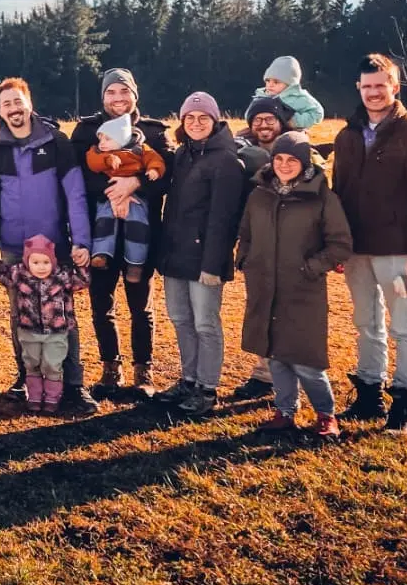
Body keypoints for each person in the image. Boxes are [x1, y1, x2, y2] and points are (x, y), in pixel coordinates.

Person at [331, 53, 407, 437]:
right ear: (358, 88)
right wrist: (336, 244)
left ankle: (405, 407)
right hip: (356, 250)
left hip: (399, 250)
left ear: (394, 87)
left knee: (405, 326)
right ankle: (369, 395)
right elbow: (341, 194)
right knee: (366, 322)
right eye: (366, 86)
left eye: (380, 85)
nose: (373, 93)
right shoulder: (347, 136)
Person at [0, 77, 97, 415]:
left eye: (18, 102)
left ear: (29, 102)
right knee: (22, 315)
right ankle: (26, 377)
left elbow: (75, 194)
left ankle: (73, 385)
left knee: (63, 318)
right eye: (6, 105)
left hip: (55, 249)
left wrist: (82, 241)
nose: (13, 109)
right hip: (14, 249)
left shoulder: (57, 142)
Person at [238, 133, 354, 439]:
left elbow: (340, 244)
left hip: (302, 289)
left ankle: (326, 415)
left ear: (304, 163)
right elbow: (246, 232)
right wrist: (245, 259)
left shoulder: (322, 197)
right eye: (278, 159)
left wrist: (311, 268)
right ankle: (285, 412)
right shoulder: (259, 194)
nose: (284, 165)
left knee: (306, 359)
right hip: (264, 284)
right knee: (275, 354)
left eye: (292, 160)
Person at [68, 68, 172, 400]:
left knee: (140, 305)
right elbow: (76, 176)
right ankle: (110, 368)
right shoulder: (86, 132)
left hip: (142, 233)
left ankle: (144, 370)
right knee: (102, 303)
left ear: (135, 95)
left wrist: (136, 184)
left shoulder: (154, 134)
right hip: (100, 232)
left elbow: (170, 176)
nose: (118, 99)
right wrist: (115, 191)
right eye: (111, 92)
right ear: (102, 97)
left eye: (124, 92)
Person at [152, 92, 247, 419]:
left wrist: (212, 265)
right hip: (176, 255)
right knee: (181, 320)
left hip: (205, 259)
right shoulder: (183, 155)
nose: (195, 123)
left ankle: (207, 388)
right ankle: (188, 379)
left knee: (206, 323)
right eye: (189, 118)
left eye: (202, 118)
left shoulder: (226, 161)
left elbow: (224, 219)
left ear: (215, 120)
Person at [228, 92, 295, 401]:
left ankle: (290, 375)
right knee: (260, 307)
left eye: (270, 119)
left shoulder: (299, 149)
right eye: (258, 120)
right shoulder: (242, 149)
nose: (264, 125)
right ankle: (264, 374)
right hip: (256, 240)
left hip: (293, 241)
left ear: (280, 122)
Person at [0, 235, 88, 414]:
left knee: (52, 365)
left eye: (46, 262)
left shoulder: (61, 277)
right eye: (35, 262)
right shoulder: (19, 275)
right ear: (27, 262)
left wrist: (82, 265)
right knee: (32, 364)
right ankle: (35, 397)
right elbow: (1, 273)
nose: (41, 267)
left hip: (56, 332)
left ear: (52, 261)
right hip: (28, 331)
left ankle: (53, 398)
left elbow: (83, 281)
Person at [83, 112, 164, 283]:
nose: (102, 143)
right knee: (103, 222)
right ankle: (101, 254)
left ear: (122, 139)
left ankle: (136, 263)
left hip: (136, 197)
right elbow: (91, 162)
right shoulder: (99, 152)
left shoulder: (140, 149)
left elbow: (155, 159)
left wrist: (154, 170)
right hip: (107, 196)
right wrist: (107, 160)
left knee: (138, 226)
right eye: (100, 138)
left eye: (107, 139)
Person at [254, 55, 325, 131]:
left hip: (291, 131)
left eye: (276, 82)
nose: (270, 85)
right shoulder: (261, 96)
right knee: (244, 134)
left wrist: (294, 121)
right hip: (265, 130)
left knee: (289, 139)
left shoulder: (298, 97)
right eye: (268, 80)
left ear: (290, 84)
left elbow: (317, 113)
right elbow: (250, 113)